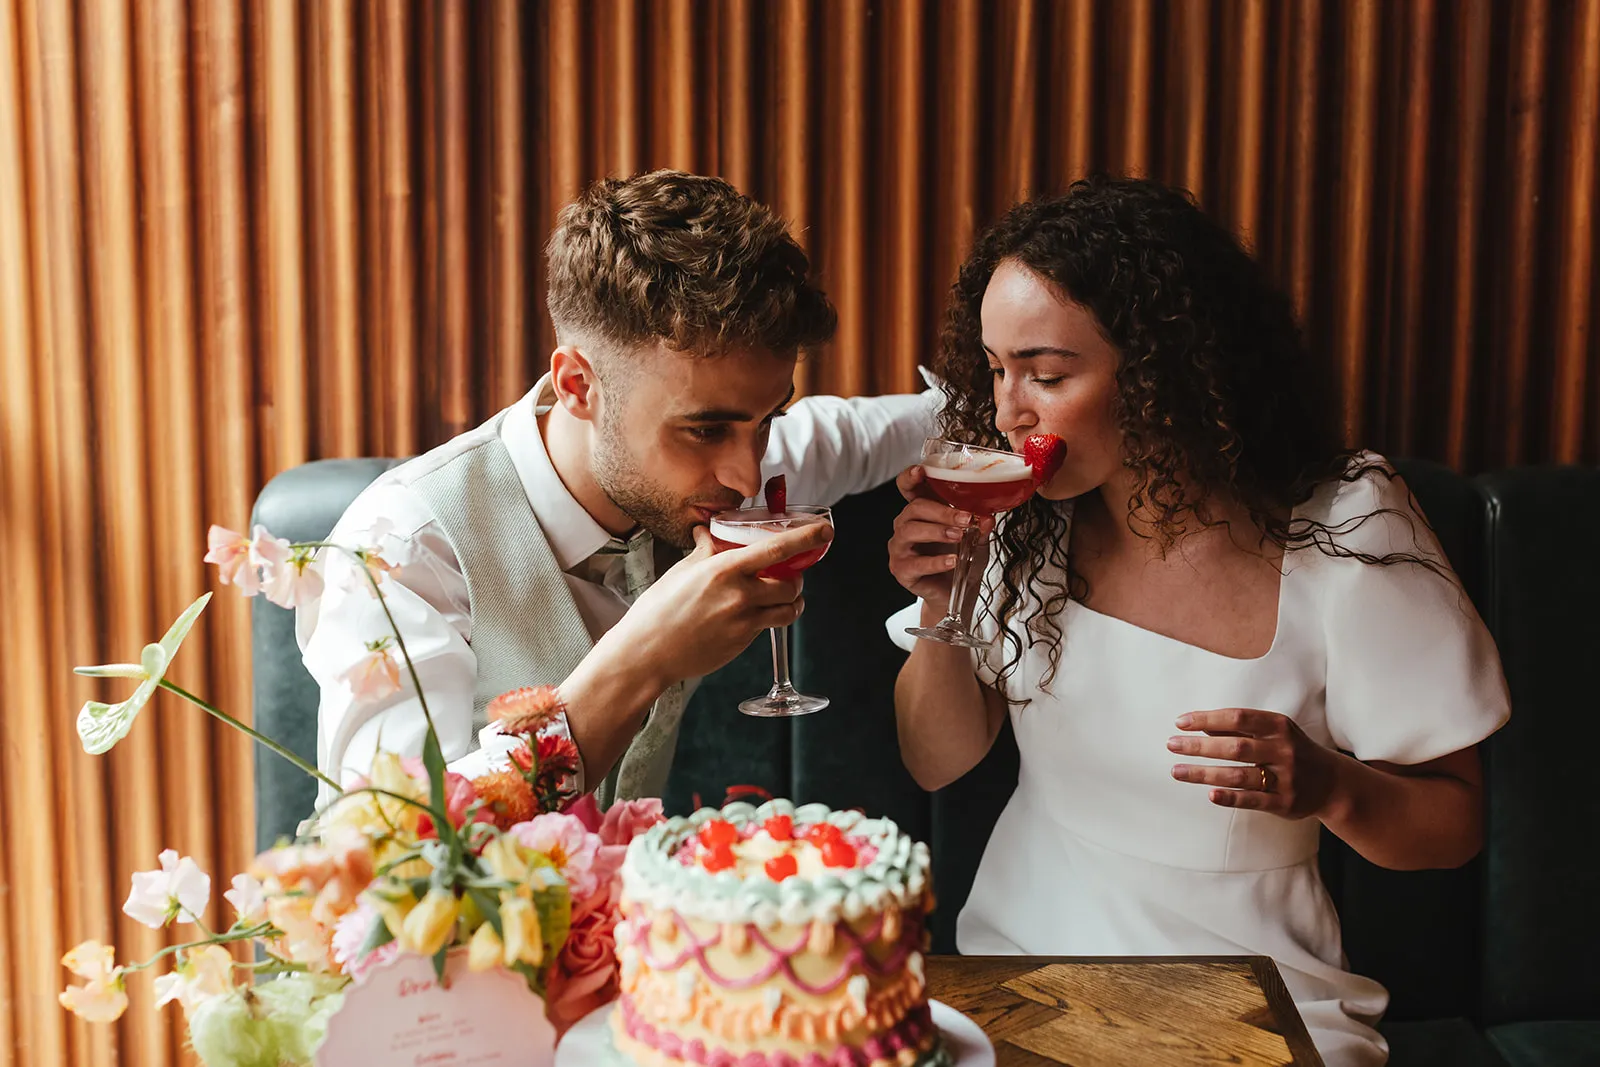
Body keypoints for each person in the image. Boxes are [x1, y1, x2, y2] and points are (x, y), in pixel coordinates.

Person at [885, 176, 1509, 1066]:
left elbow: (1456, 820)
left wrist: (1331, 786)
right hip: (1023, 968)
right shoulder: (1019, 516)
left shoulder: (1344, 522)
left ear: (1160, 369)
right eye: (995, 369)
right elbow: (935, 758)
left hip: (1256, 994)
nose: (1006, 409)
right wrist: (941, 604)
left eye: (1047, 374)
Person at [300, 169, 937, 808]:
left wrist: (1009, 410)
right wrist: (642, 659)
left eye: (768, 418)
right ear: (578, 386)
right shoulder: (403, 547)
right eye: (705, 429)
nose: (747, 476)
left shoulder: (731, 467)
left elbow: (875, 429)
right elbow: (388, 857)